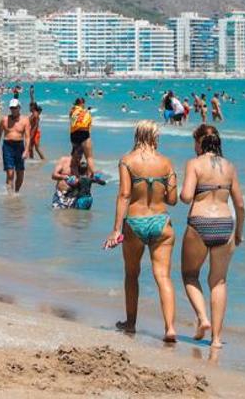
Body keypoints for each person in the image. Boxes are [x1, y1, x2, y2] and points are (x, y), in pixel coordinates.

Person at [103, 120, 178, 343]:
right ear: (155, 137)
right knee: (163, 277)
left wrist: (116, 229)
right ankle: (170, 328)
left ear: (137, 135)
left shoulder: (127, 161)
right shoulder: (166, 163)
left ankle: (131, 323)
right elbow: (172, 200)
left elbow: (125, 195)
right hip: (161, 222)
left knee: (131, 274)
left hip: (135, 222)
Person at [180, 124, 245, 349]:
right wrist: (239, 233)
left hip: (200, 223)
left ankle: (202, 317)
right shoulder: (230, 167)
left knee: (189, 275)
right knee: (218, 281)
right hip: (225, 224)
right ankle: (216, 339)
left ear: (200, 143)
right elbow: (240, 204)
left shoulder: (194, 164)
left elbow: (187, 197)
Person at [1, 98, 30, 193]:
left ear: (19, 108)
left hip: (19, 147)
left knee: (20, 174)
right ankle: (10, 194)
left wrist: (26, 150)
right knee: (10, 173)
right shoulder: (5, 119)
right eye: (12, 108)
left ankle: (16, 192)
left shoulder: (25, 120)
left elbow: (27, 137)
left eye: (15, 108)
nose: (13, 110)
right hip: (7, 146)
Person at [68, 97, 95, 174]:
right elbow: (89, 126)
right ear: (82, 103)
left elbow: (72, 120)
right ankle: (92, 175)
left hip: (73, 134)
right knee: (89, 157)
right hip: (84, 133)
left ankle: (75, 175)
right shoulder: (86, 112)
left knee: (75, 156)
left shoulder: (72, 110)